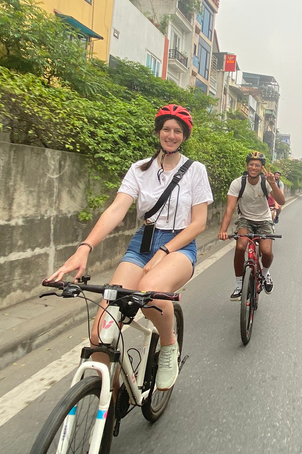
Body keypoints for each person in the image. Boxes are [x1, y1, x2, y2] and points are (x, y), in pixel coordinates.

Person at [48, 104, 213, 391]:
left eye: (177, 131)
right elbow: (116, 210)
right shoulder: (139, 169)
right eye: (166, 129)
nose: (170, 135)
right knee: (101, 334)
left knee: (149, 293)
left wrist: (166, 251)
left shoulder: (195, 171)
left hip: (178, 246)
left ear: (184, 136)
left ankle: (168, 346)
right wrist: (85, 247)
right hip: (142, 244)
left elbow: (198, 223)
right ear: (158, 132)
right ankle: (107, 398)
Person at [218, 151, 285, 300]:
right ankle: (239, 285)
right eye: (251, 164)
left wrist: (273, 183)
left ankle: (265, 274)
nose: (253, 167)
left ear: (261, 168)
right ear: (247, 166)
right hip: (245, 220)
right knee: (240, 247)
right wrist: (223, 230)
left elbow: (281, 201)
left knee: (266, 252)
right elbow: (230, 208)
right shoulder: (238, 183)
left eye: (257, 165)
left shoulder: (266, 182)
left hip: (264, 220)